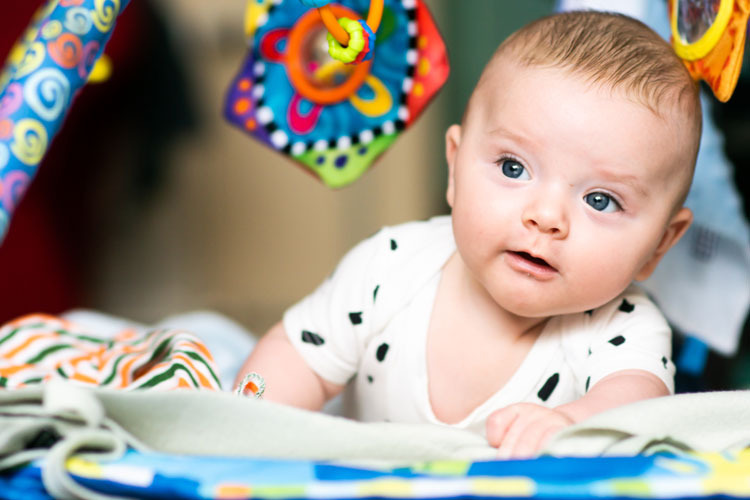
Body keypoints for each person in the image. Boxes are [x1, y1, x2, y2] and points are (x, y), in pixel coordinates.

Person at [235, 11, 701, 458]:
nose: (546, 216)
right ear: (455, 166)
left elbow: (639, 405)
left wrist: (575, 423)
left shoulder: (621, 326)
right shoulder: (390, 268)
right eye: (513, 167)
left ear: (659, 243)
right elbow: (297, 357)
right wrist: (248, 431)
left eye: (601, 200)